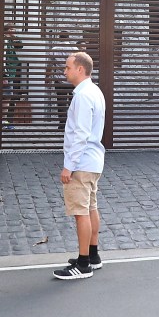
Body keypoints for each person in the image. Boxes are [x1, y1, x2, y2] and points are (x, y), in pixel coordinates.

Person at [53, 52, 106, 280]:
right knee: (91, 207)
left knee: (80, 212)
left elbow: (80, 134)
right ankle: (93, 255)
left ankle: (83, 264)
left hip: (82, 162)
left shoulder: (83, 96)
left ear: (80, 69)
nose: (65, 71)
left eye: (68, 67)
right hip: (93, 161)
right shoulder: (94, 91)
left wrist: (69, 166)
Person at [48, 32, 76, 129]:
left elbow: (50, 65)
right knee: (73, 102)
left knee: (61, 102)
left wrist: (47, 78)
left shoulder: (54, 50)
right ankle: (72, 125)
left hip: (59, 80)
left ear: (60, 38)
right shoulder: (74, 50)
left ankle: (62, 124)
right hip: (73, 80)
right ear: (68, 38)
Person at [2, 24, 23, 130]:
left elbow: (20, 45)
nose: (13, 31)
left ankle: (5, 121)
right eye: (11, 29)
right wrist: (4, 75)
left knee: (8, 97)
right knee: (6, 97)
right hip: (6, 73)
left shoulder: (10, 40)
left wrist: (13, 36)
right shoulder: (3, 41)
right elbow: (2, 59)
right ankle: (3, 121)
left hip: (11, 73)